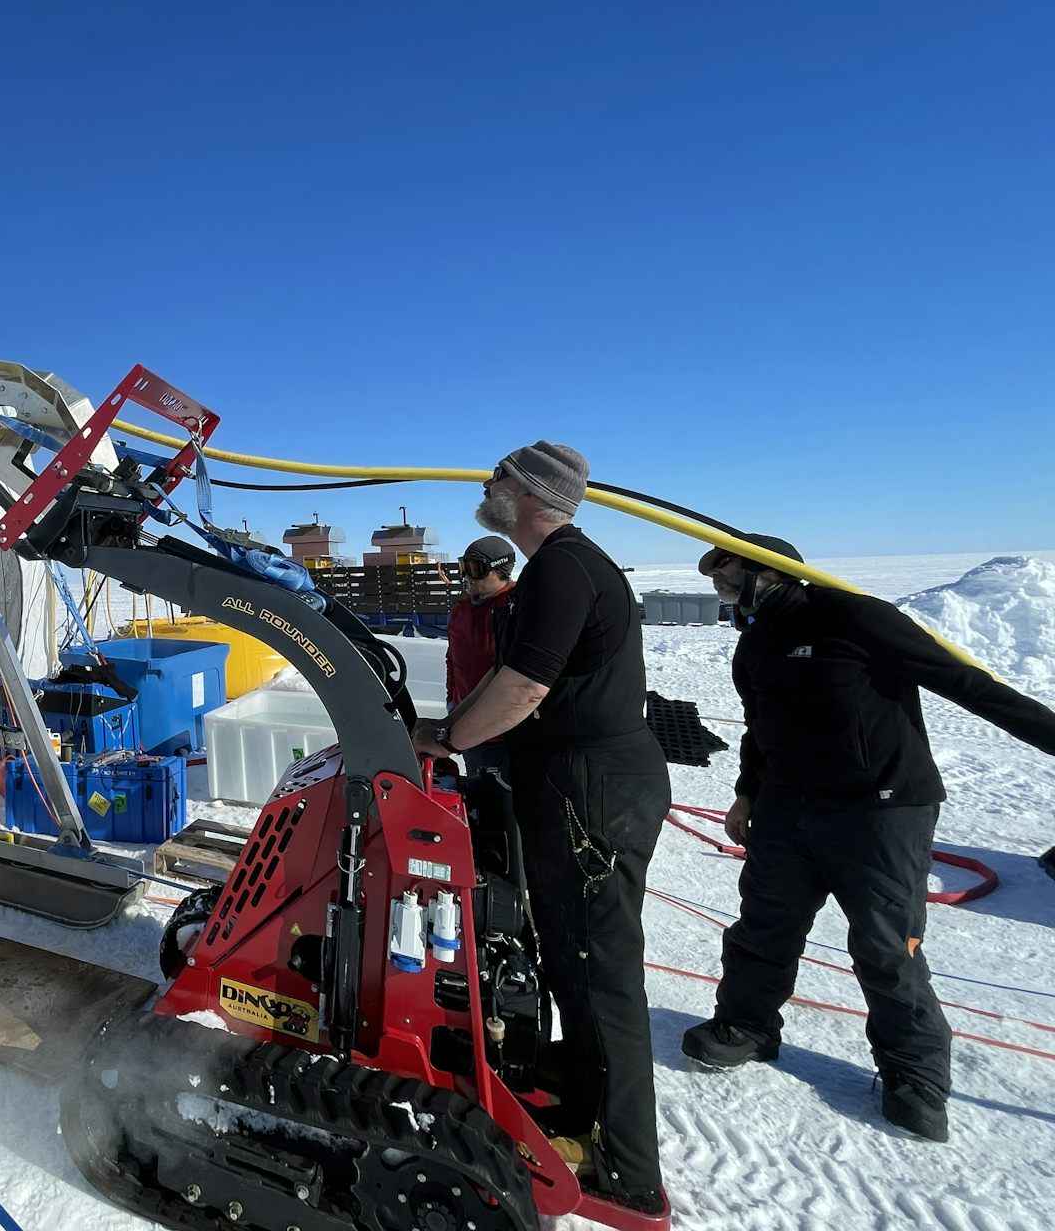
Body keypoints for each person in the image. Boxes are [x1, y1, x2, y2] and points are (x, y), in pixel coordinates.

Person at [680, 536, 1055, 1143]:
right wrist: (748, 792)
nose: (713, 574)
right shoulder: (755, 641)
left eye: (722, 562)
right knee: (764, 926)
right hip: (787, 807)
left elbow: (968, 683)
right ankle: (746, 1027)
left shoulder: (853, 615)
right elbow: (761, 726)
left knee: (887, 946)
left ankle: (915, 1077)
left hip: (880, 811)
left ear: (766, 568)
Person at [413, 442, 669, 1216]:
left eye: (496, 478)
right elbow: (508, 673)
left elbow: (524, 687)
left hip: (588, 791)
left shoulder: (564, 566)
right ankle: (575, 1090)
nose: (485, 487)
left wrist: (453, 739)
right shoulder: (552, 569)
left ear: (524, 492)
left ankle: (623, 1168)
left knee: (600, 969)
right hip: (570, 783)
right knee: (566, 948)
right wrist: (454, 725)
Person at [445, 534, 518, 776]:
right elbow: (453, 659)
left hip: (502, 730)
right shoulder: (462, 609)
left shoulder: (514, 607)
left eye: (475, 569)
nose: (467, 577)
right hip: (465, 720)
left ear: (499, 570)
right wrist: (452, 699)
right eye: (464, 567)